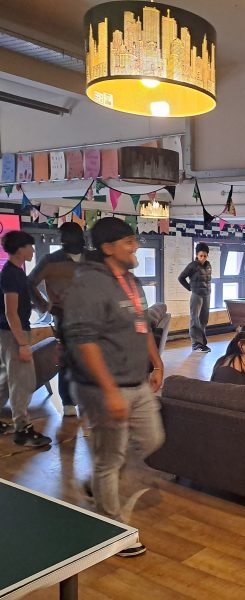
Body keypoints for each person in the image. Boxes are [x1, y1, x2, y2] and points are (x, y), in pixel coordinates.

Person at [62, 217, 164, 557]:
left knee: (152, 439)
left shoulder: (131, 281)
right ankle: (111, 531)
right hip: (102, 386)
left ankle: (100, 479)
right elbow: (84, 341)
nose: (136, 247)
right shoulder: (89, 285)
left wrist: (157, 363)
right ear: (108, 248)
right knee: (110, 457)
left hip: (136, 381)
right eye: (129, 242)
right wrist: (108, 391)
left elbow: (142, 325)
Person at [28, 222, 89, 417]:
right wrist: (46, 306)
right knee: (67, 360)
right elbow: (29, 283)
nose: (66, 241)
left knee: (90, 359)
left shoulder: (92, 259)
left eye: (70, 237)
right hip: (65, 318)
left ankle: (87, 399)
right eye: (64, 238)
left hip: (92, 318)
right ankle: (68, 402)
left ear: (81, 238)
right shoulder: (51, 261)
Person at [0, 231, 51, 447]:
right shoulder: (11, 274)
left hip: (10, 333)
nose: (33, 250)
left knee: (6, 380)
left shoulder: (16, 272)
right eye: (30, 246)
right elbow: (11, 312)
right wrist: (22, 343)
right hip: (14, 334)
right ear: (20, 249)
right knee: (22, 382)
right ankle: (22, 430)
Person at [178, 242, 212, 353]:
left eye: (205, 256)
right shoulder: (192, 265)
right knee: (195, 319)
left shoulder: (208, 265)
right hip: (196, 295)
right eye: (201, 256)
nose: (203, 258)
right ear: (197, 255)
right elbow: (181, 278)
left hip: (207, 295)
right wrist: (190, 288)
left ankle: (202, 343)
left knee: (204, 320)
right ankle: (196, 345)